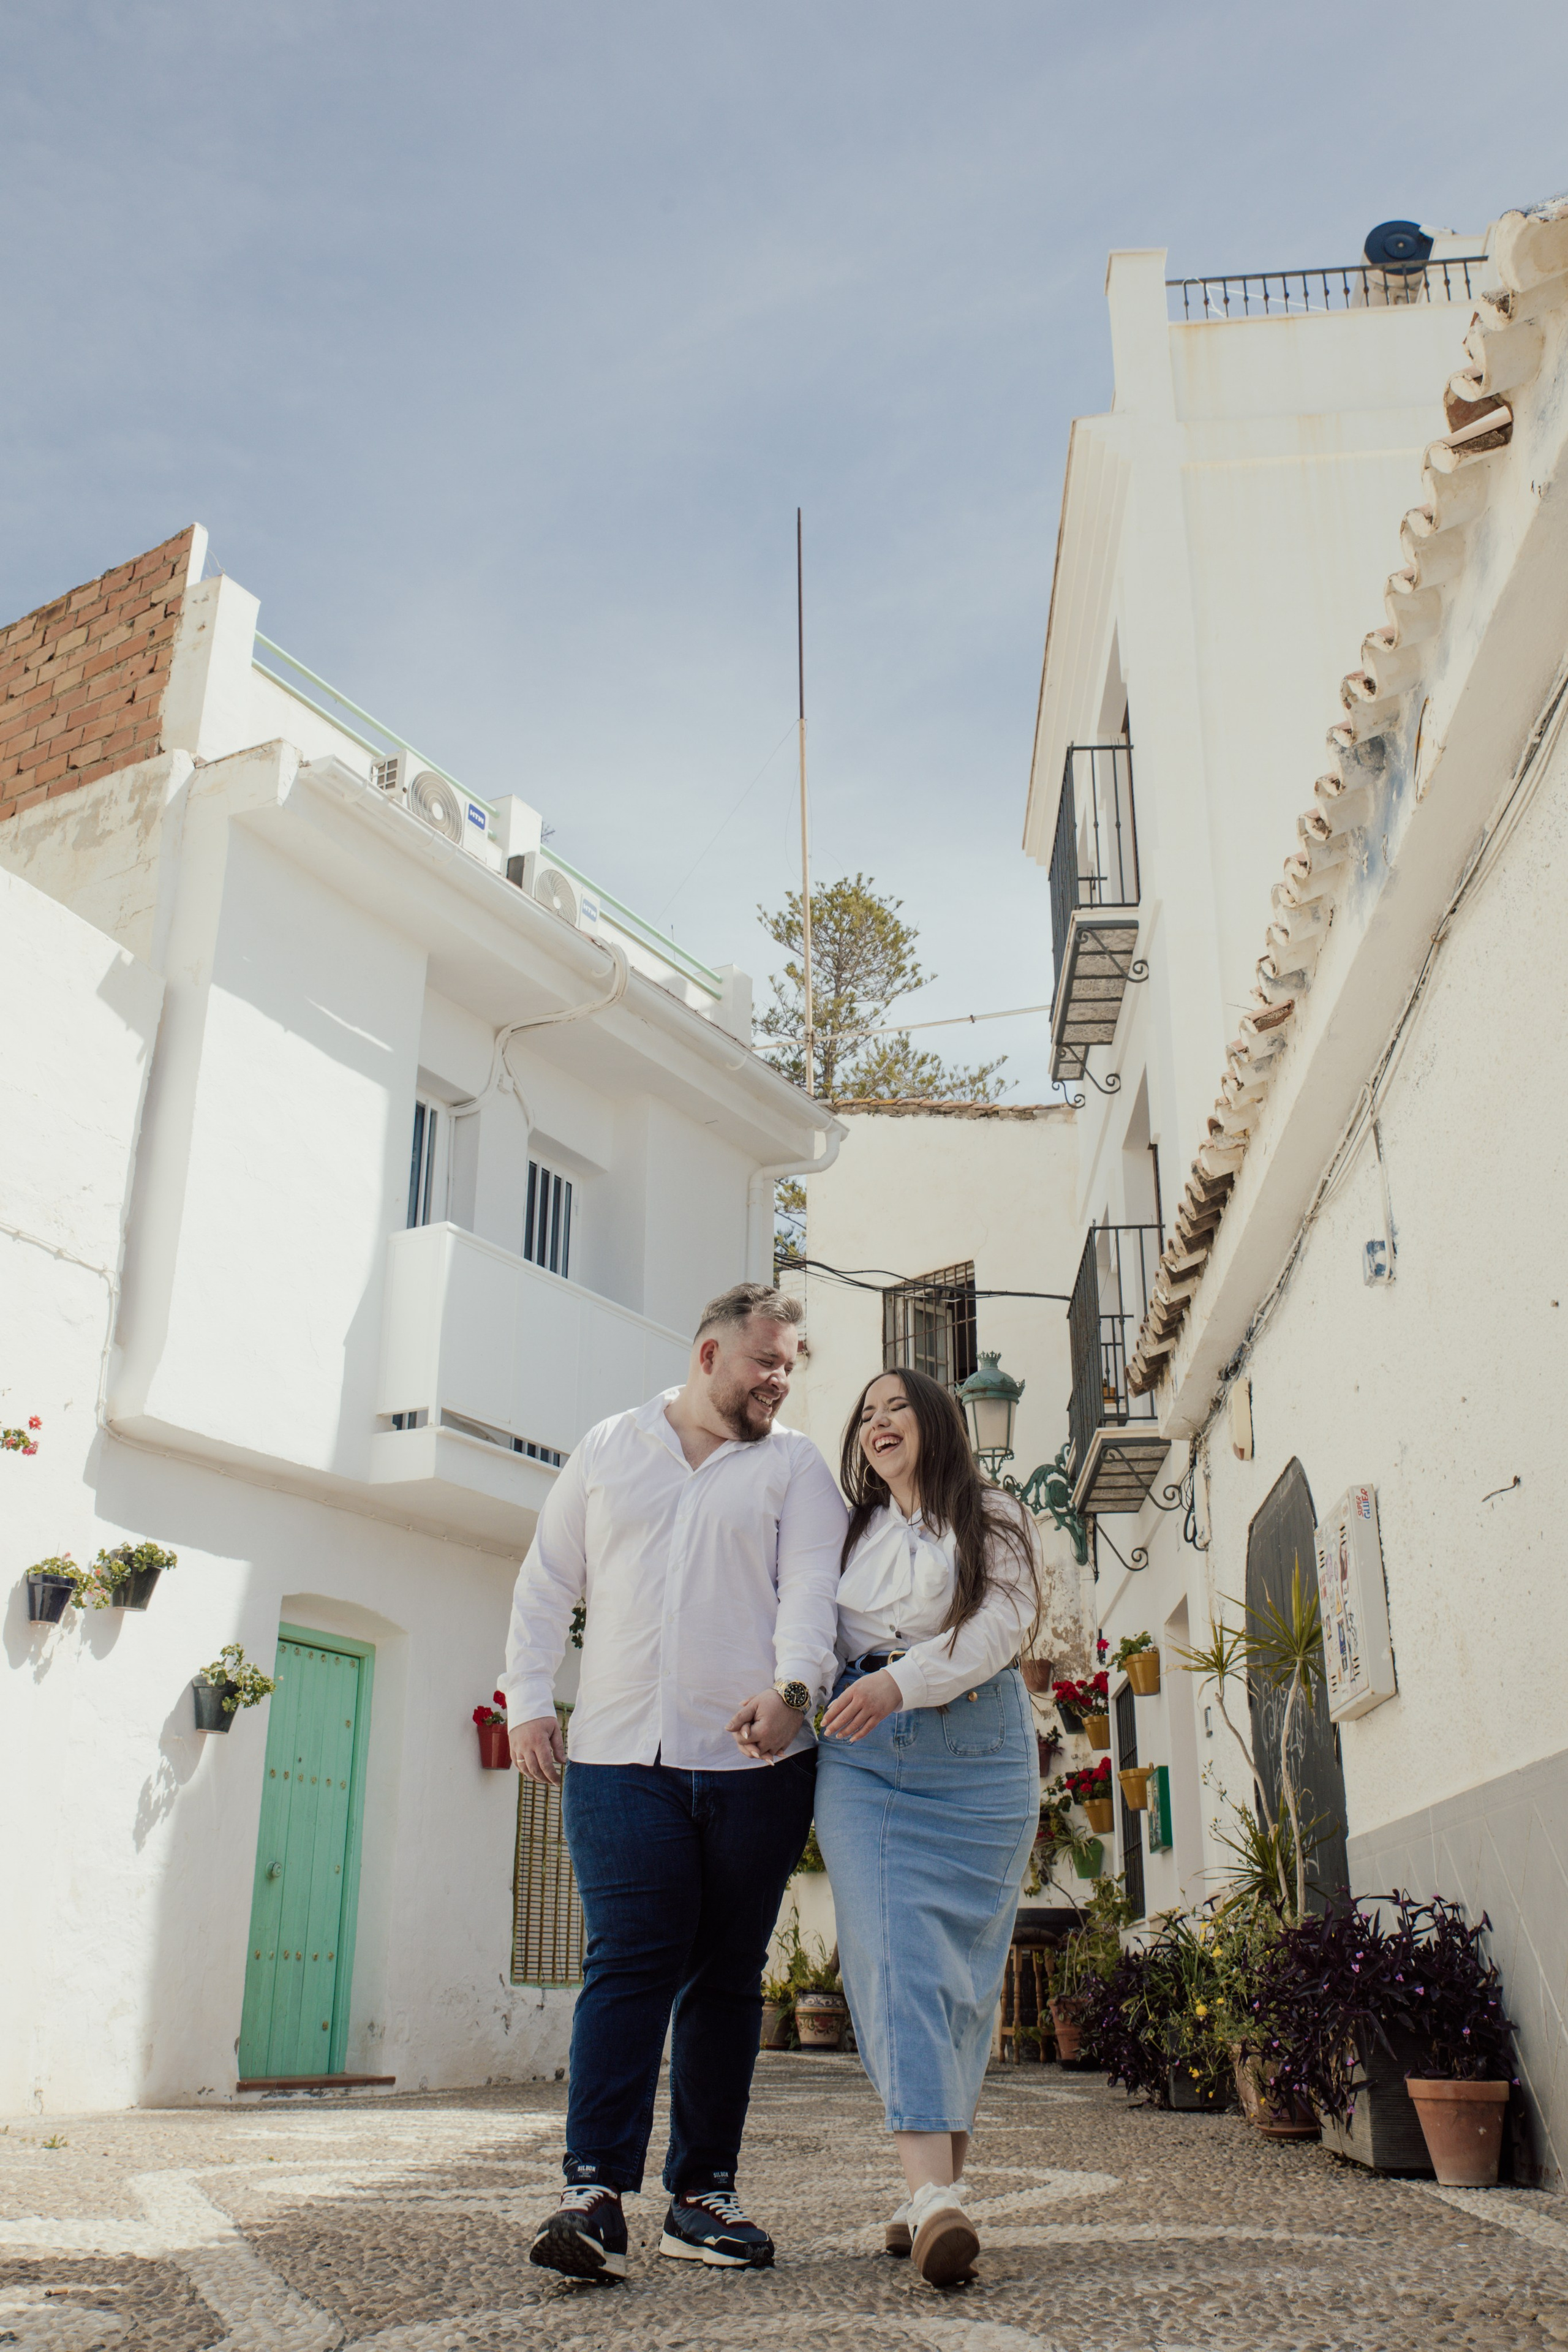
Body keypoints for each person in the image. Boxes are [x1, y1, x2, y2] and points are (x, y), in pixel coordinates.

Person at [502, 1281, 846, 2285]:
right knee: (628, 1964)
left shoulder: (795, 1469)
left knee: (727, 1977)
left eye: (790, 1364)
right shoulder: (611, 1447)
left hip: (755, 1766)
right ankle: (593, 2194)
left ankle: (703, 2197)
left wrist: (793, 1692)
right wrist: (528, 1698)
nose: (780, 1379)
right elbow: (545, 1581)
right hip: (618, 1762)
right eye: (764, 1361)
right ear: (708, 1357)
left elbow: (812, 1595)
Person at [809, 1365, 1041, 2290]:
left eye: (896, 1405)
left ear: (938, 1420)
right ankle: (939, 2200)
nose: (878, 1422)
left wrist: (903, 1681)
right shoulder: (847, 1529)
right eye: (866, 1413)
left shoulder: (995, 1515)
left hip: (980, 1756)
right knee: (889, 1952)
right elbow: (810, 1632)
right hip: (865, 1756)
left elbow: (1003, 1625)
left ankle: (927, 2196)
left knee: (959, 1982)